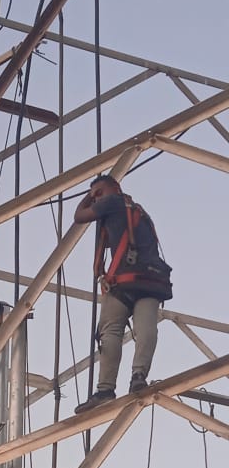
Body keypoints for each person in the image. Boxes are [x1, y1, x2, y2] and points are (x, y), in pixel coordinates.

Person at [73, 174, 172, 413]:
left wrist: (89, 195)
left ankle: (105, 390)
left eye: (98, 192)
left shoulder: (112, 202)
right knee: (146, 327)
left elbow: (80, 216)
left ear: (110, 189)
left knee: (110, 331)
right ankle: (139, 376)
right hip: (150, 280)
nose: (95, 198)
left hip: (124, 282)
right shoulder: (138, 212)